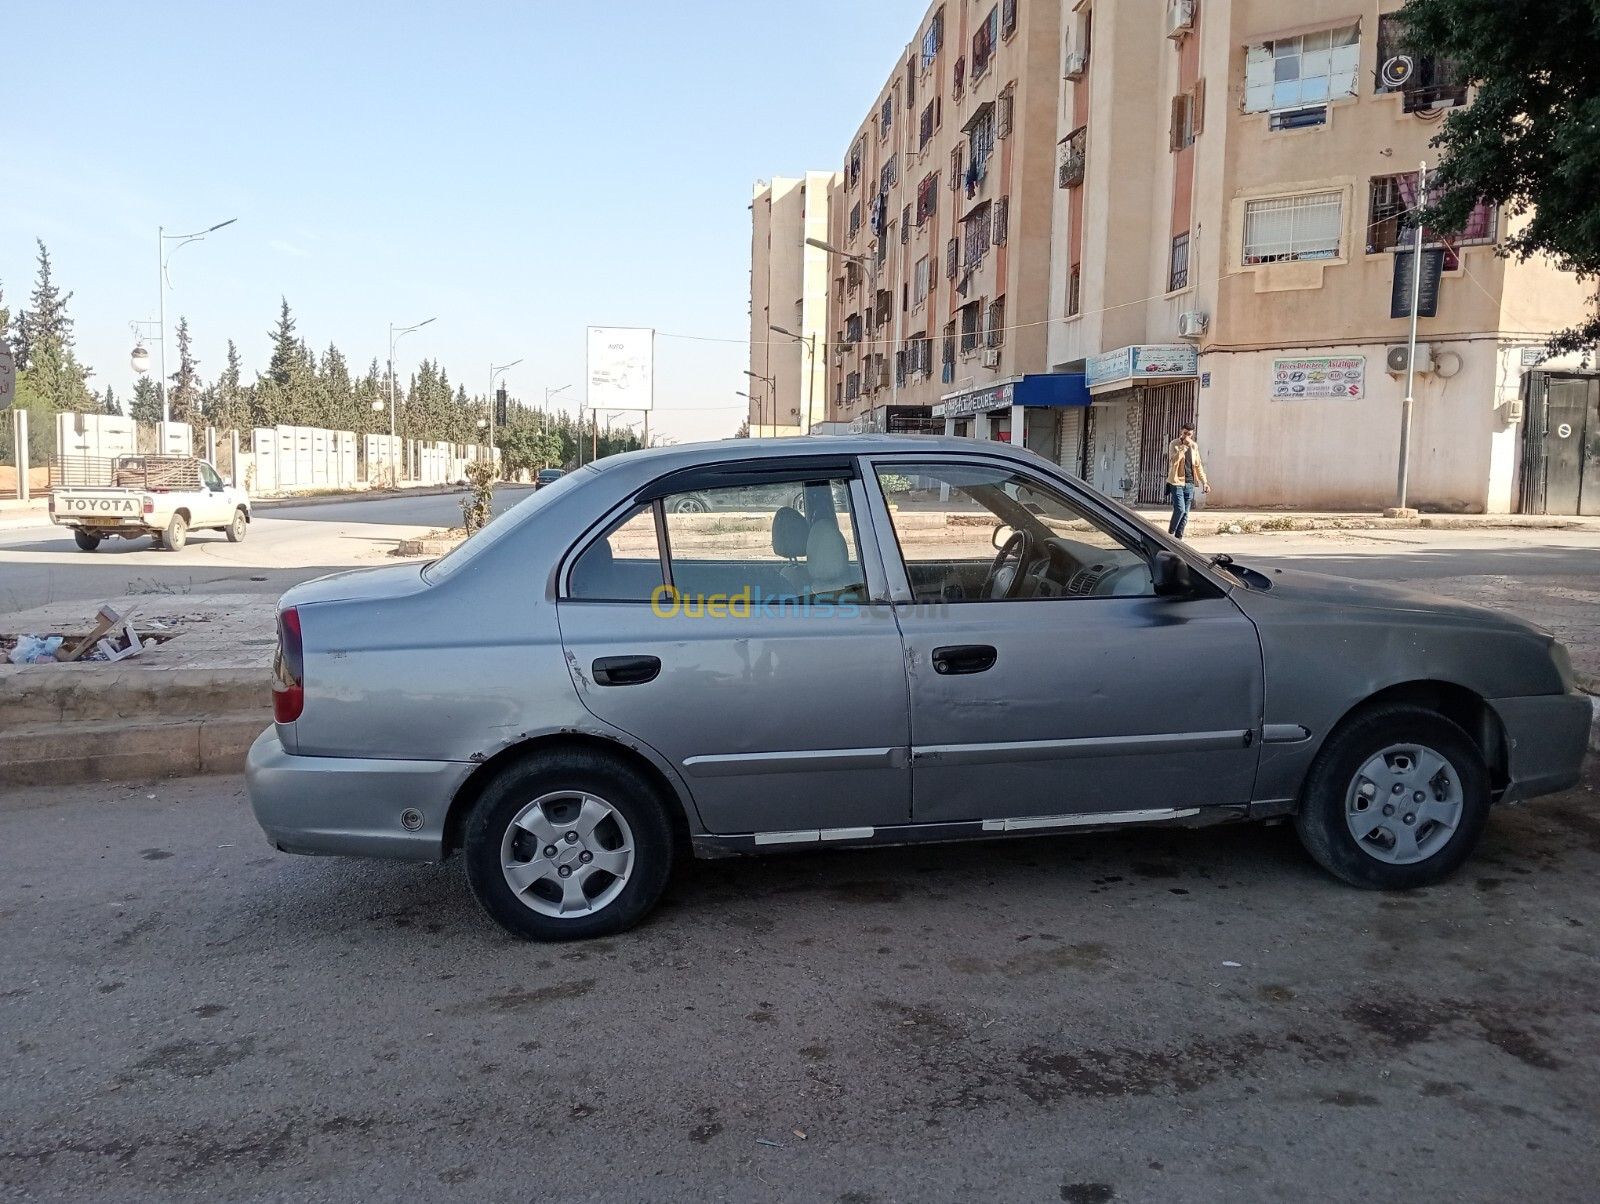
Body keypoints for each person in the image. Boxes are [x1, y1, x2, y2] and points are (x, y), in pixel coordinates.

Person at [1165, 424, 1209, 539]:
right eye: (1185, 433)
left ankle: (1178, 538)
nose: (1187, 436)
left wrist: (1204, 482)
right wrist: (1183, 447)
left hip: (1189, 482)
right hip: (1176, 482)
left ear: (1192, 434)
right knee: (1180, 509)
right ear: (1181, 432)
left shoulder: (1194, 446)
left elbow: (1198, 465)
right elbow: (1173, 461)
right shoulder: (1174, 444)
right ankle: (1169, 535)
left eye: (1189, 434)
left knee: (1185, 513)